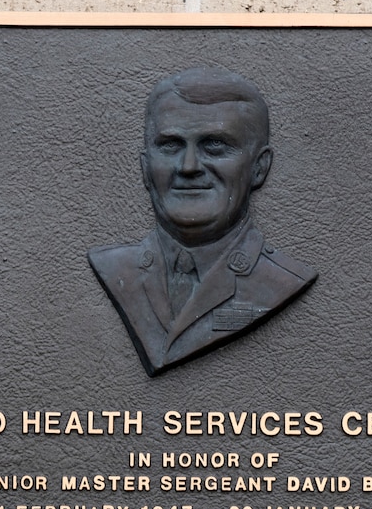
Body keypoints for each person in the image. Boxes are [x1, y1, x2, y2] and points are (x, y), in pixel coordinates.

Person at [88, 68, 318, 377]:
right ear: (145, 167)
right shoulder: (114, 269)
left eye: (215, 145)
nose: (189, 166)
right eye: (170, 146)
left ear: (259, 168)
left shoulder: (283, 281)